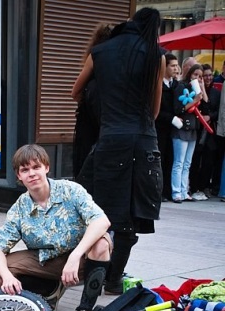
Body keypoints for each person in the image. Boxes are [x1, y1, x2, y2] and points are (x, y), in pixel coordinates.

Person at [75, 8, 165, 295]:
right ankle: (113, 279)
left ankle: (92, 274)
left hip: (109, 139)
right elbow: (154, 110)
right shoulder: (155, 55)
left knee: (95, 209)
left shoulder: (101, 52)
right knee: (129, 217)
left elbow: (76, 91)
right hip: (142, 140)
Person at [0, 144, 112, 311]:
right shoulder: (19, 208)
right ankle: (48, 292)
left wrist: (75, 256)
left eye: (36, 167)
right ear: (19, 176)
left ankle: (85, 310)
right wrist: (6, 276)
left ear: (46, 167)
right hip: (47, 261)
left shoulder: (70, 190)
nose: (32, 173)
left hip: (82, 257)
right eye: (25, 170)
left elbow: (102, 221)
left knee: (101, 244)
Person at [71, 22, 113, 179]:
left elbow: (75, 92)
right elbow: (75, 92)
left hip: (90, 118)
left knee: (85, 161)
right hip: (105, 119)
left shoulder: (95, 55)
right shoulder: (102, 58)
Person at [171, 64, 207, 203]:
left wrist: (202, 89)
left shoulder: (198, 90)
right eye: (195, 75)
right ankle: (176, 192)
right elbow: (178, 108)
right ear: (189, 74)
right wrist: (195, 100)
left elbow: (206, 104)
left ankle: (184, 190)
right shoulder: (182, 87)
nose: (197, 78)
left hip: (193, 129)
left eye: (200, 76)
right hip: (181, 128)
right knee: (179, 162)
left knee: (187, 163)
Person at [189, 64, 220, 200]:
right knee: (195, 159)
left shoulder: (216, 93)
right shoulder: (195, 89)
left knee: (208, 160)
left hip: (209, 131)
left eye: (209, 75)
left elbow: (213, 110)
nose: (207, 78)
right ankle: (193, 186)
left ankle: (203, 186)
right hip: (197, 129)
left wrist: (210, 117)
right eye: (204, 75)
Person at [155, 53, 180, 201]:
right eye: (172, 65)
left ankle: (168, 191)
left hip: (174, 131)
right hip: (160, 129)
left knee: (172, 160)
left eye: (177, 65)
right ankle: (159, 192)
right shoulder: (158, 85)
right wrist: (171, 118)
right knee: (161, 160)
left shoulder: (176, 85)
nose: (175, 68)